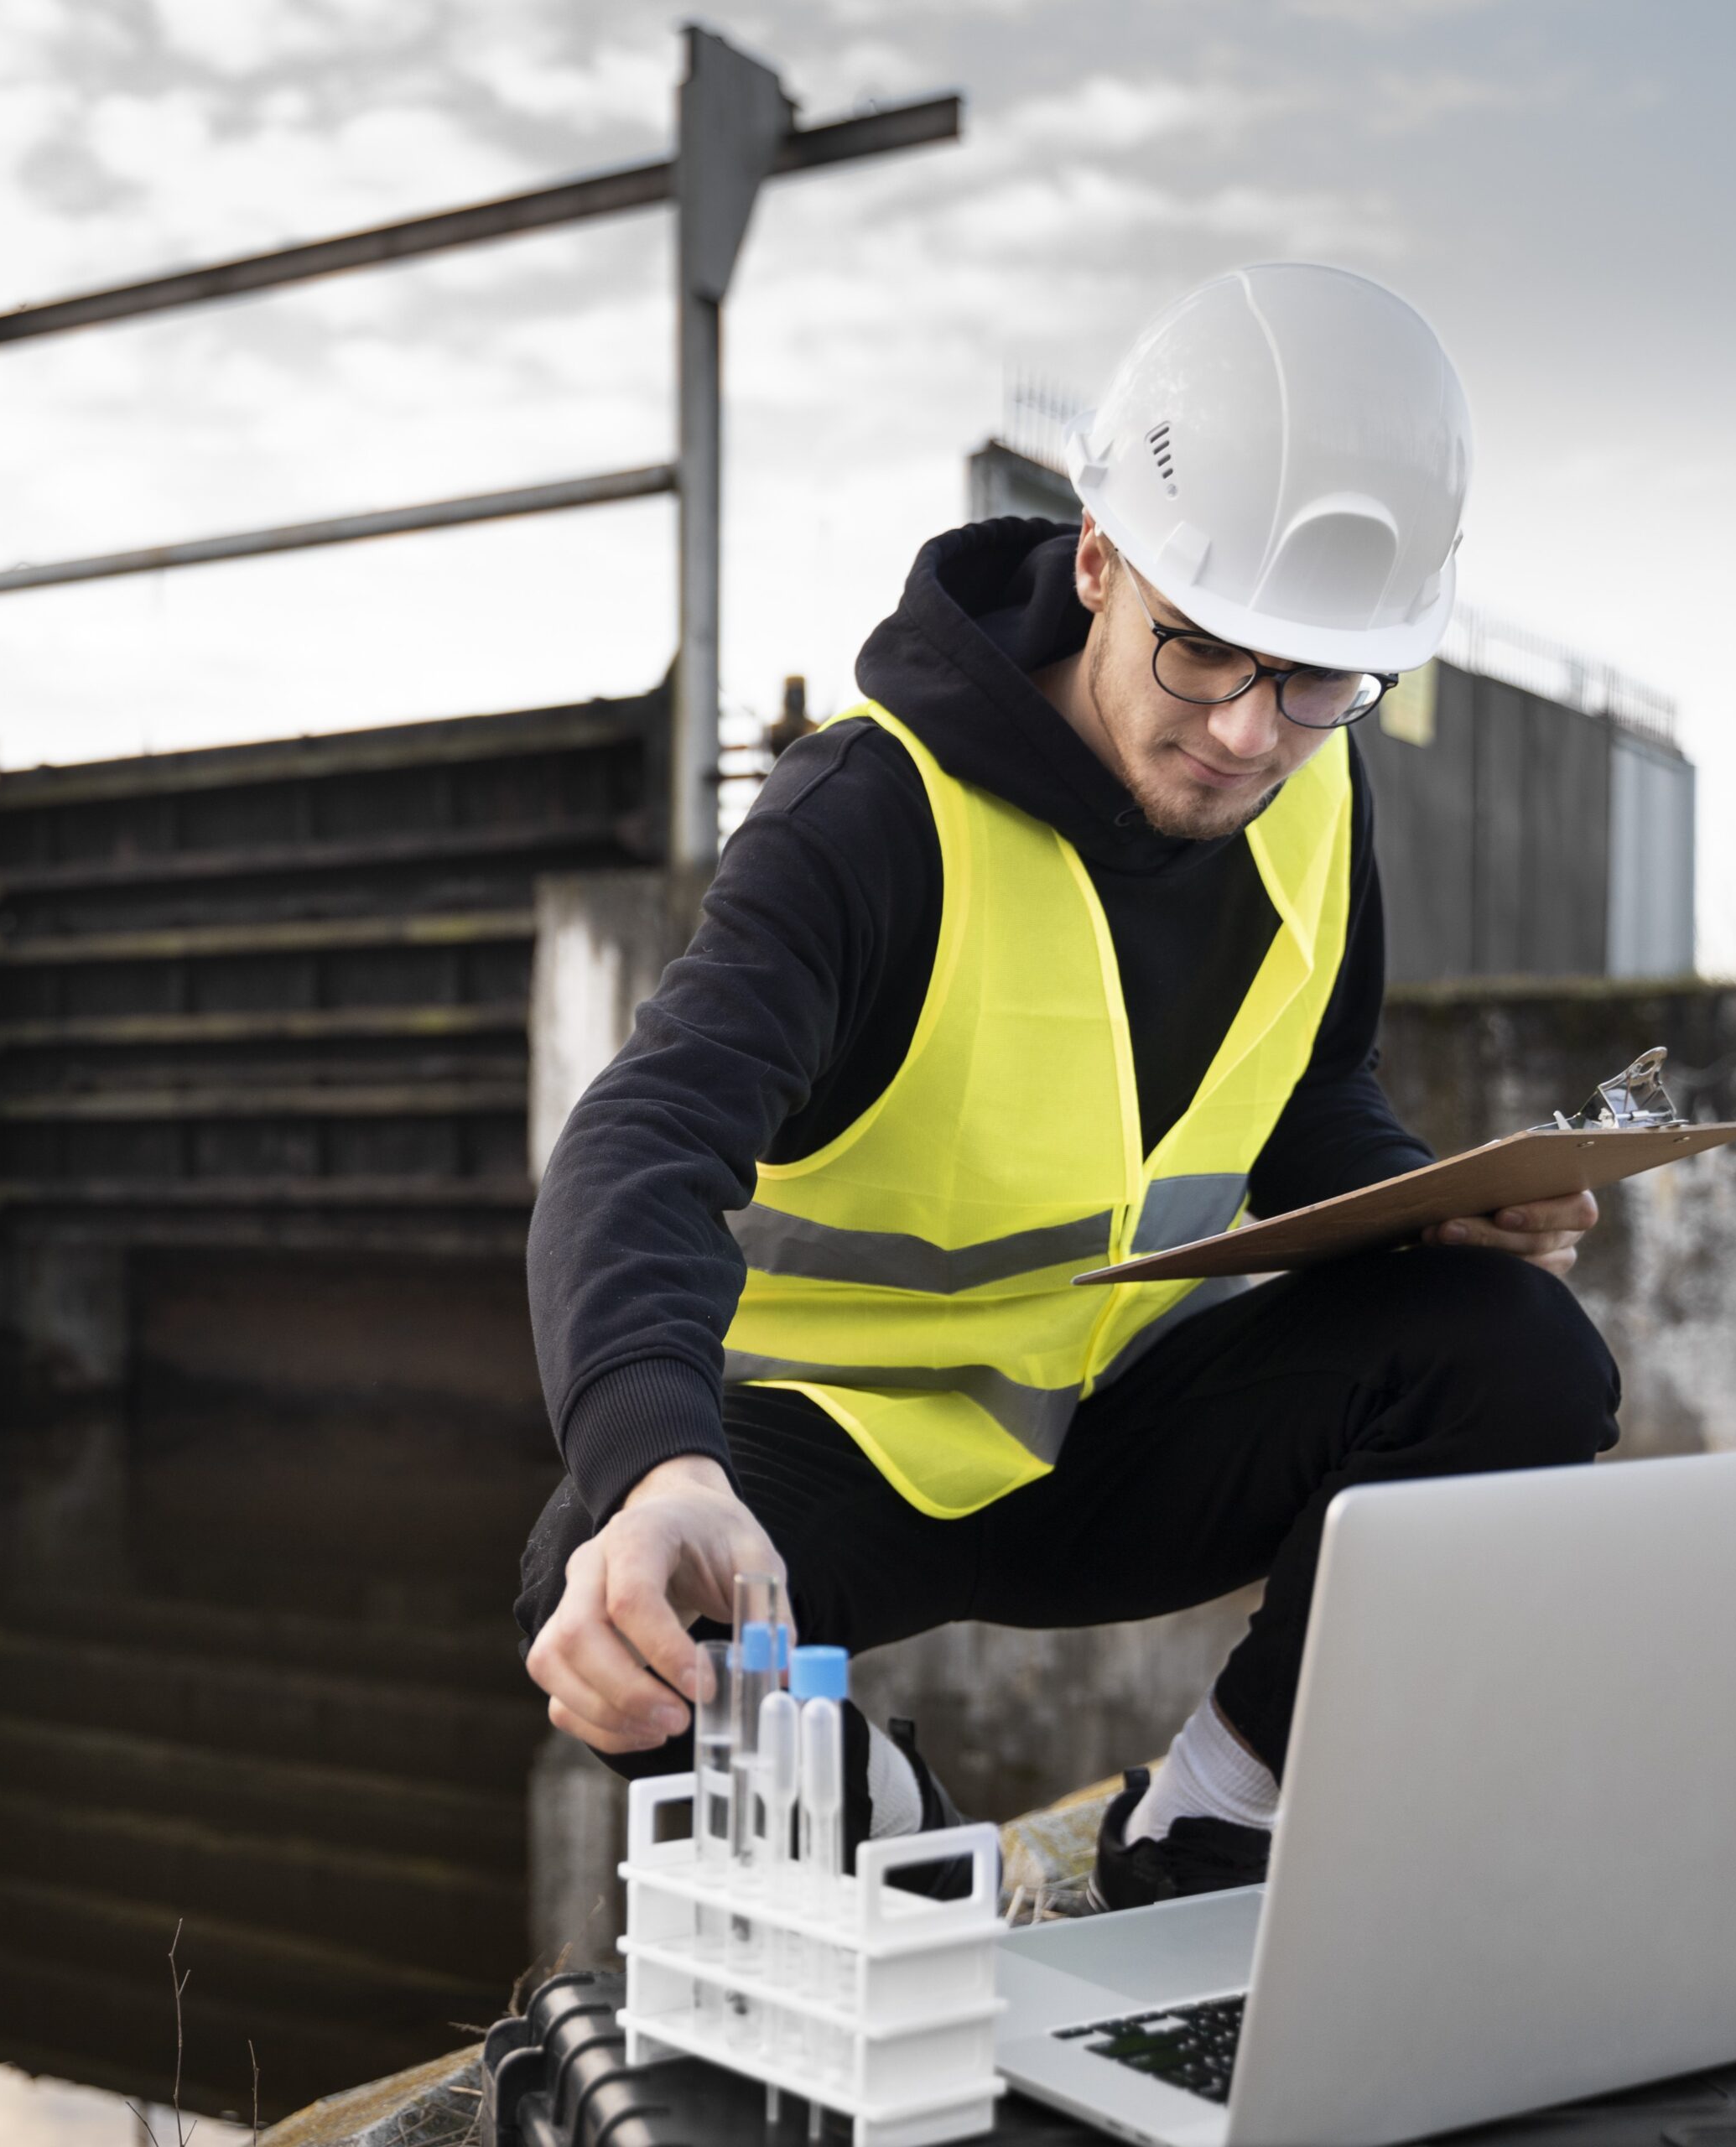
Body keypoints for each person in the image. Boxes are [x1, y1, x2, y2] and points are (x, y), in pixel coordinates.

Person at [516, 263, 1619, 1910]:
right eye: (1201, 656)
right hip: (856, 1459)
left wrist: (1425, 1213)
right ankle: (903, 1839)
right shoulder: (866, 824)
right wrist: (664, 1467)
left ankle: (1210, 1823)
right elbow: (642, 1136)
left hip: (1129, 1433)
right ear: (1099, 561)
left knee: (1521, 1355)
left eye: (1316, 680)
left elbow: (1307, 1089)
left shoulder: (1315, 789)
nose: (1249, 733)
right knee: (606, 1581)